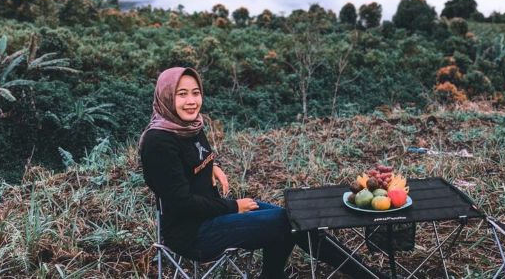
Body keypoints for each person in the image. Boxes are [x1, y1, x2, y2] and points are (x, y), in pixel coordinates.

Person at [140, 67, 382, 279]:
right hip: (192, 233)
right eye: (182, 94)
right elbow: (181, 202)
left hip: (211, 213)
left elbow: (187, 160)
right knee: (289, 221)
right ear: (166, 97)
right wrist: (234, 207)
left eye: (196, 92)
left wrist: (211, 166)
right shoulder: (158, 142)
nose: (191, 100)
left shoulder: (190, 126)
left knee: (291, 215)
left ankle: (357, 273)